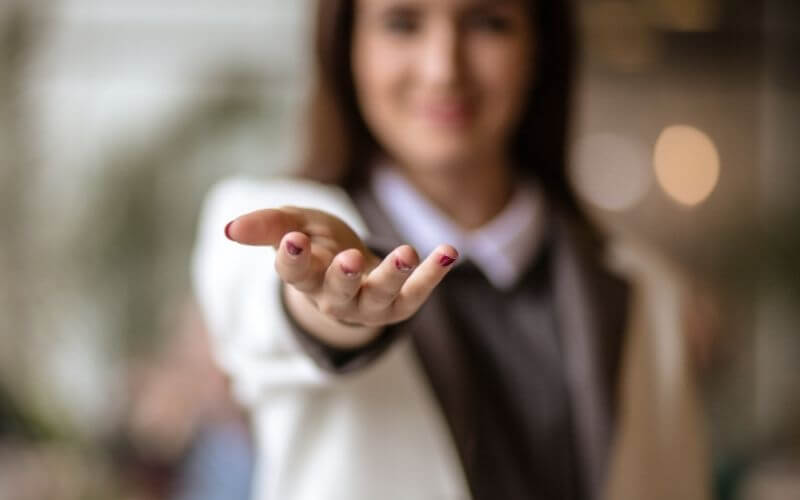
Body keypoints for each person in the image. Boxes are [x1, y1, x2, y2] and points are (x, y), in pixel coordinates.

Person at [192, 0, 709, 499]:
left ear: (541, 47)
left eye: (488, 22)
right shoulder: (268, 230)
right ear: (346, 46)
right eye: (401, 23)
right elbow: (288, 317)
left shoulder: (648, 284)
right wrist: (338, 306)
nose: (444, 69)